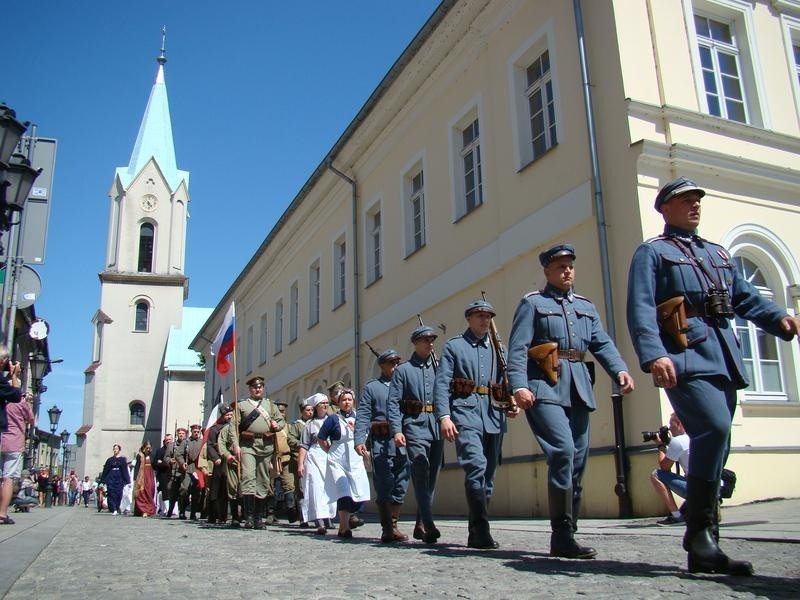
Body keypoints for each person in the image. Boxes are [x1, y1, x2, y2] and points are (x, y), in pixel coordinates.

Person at [626, 177, 800, 576]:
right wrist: (654, 355)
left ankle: (705, 543)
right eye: (685, 200)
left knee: (719, 443)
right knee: (715, 428)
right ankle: (698, 535)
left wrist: (780, 318)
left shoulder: (717, 254)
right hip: (685, 357)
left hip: (723, 356)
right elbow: (639, 308)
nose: (694, 205)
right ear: (664, 209)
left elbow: (746, 298)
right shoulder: (653, 253)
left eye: (697, 200)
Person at [508, 243, 634, 559]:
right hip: (543, 388)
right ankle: (562, 532)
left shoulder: (586, 307)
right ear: (547, 271)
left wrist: (619, 369)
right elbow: (518, 349)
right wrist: (519, 386)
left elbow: (601, 344)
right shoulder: (533, 304)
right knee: (563, 451)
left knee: (577, 460)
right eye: (560, 266)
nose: (567, 270)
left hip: (578, 387)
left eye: (570, 265)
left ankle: (567, 535)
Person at [434, 300, 511, 549]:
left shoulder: (499, 349)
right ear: (468, 318)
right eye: (479, 315)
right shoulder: (455, 346)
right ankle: (481, 529)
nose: (484, 320)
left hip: (493, 415)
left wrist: (512, 402)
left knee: (488, 476)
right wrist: (444, 416)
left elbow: (508, 378)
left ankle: (475, 531)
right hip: (465, 413)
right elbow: (442, 383)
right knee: (476, 467)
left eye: (488, 316)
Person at [388, 325, 444, 544]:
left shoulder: (439, 367)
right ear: (415, 343)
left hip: (436, 426)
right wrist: (397, 430)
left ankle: (421, 523)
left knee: (432, 478)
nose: (430, 344)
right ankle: (429, 524)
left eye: (432, 340)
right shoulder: (403, 370)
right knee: (421, 471)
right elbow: (393, 402)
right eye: (425, 340)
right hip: (414, 425)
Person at [355, 348, 410, 543]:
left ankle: (394, 524)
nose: (395, 366)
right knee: (384, 483)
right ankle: (387, 527)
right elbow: (362, 415)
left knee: (401, 484)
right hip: (381, 443)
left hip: (402, 442)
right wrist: (359, 440)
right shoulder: (373, 388)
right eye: (391, 363)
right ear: (382, 366)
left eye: (397, 362)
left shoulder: (405, 386)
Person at [318, 388, 370, 539]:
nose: (347, 402)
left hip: (355, 460)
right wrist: (329, 451)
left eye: (349, 399)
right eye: (343, 400)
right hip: (337, 460)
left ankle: (345, 524)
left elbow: (367, 435)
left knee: (358, 493)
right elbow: (321, 438)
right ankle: (344, 526)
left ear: (353, 401)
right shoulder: (333, 419)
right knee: (343, 492)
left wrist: (357, 432)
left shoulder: (360, 418)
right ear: (339, 403)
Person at [236, 375, 285, 529]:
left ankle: (258, 518)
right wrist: (236, 445)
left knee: (263, 480)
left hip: (265, 445)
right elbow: (234, 426)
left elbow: (281, 420)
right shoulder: (242, 405)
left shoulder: (270, 405)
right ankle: (249, 517)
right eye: (254, 387)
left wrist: (277, 425)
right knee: (248, 477)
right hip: (248, 445)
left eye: (260, 387)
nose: (258, 389)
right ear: (250, 389)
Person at [297, 393, 336, 535]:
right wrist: (300, 463)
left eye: (326, 403)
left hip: (329, 455)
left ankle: (329, 518)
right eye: (322, 403)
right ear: (316, 407)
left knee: (328, 488)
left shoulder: (334, 420)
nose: (325, 405)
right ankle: (319, 520)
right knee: (317, 488)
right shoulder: (310, 425)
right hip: (314, 457)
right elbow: (304, 445)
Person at [650, 413, 689, 526]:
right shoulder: (697, 436)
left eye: (671, 425)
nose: (670, 429)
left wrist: (661, 447)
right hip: (715, 487)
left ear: (679, 424)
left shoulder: (678, 441)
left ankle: (677, 517)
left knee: (656, 474)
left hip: (695, 489)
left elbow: (664, 467)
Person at [0, 387, 32, 525]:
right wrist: (27, 401)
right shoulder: (20, 403)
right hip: (14, 443)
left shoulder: (3, 402)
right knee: (8, 478)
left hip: (1, 439)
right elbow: (31, 419)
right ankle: (2, 514)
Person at [286, 397, 313, 524]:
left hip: (314, 459)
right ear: (302, 412)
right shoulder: (297, 425)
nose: (310, 412)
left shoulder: (315, 423)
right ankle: (303, 518)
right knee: (301, 489)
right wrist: (303, 444)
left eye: (312, 410)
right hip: (300, 458)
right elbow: (290, 439)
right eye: (307, 410)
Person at [206, 403, 234, 524]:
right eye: (227, 414)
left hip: (231, 460)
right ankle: (212, 515)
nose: (229, 416)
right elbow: (210, 445)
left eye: (231, 414)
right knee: (216, 490)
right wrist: (215, 458)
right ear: (222, 415)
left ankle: (224, 516)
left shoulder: (233, 428)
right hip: (220, 461)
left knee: (228, 488)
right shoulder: (215, 429)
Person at [271, 399, 294, 525]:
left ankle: (291, 511)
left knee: (289, 486)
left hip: (286, 459)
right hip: (272, 460)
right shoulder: (269, 427)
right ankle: (271, 513)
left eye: (283, 412)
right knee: (270, 487)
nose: (281, 414)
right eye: (279, 411)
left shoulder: (289, 427)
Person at [100, 444, 131, 515]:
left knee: (119, 494)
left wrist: (127, 480)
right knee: (111, 493)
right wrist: (102, 481)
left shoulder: (122, 460)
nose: (115, 450)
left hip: (119, 478)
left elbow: (125, 470)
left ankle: (117, 507)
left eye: (116, 449)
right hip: (111, 477)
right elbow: (105, 471)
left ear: (119, 450)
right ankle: (113, 508)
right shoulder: (109, 460)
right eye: (114, 449)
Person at [166, 428, 189, 519]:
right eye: (179, 433)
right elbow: (166, 457)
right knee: (172, 492)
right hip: (174, 472)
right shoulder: (172, 445)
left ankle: (182, 511)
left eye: (183, 433)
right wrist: (169, 461)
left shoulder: (188, 445)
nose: (181, 435)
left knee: (183, 491)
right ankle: (170, 510)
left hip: (184, 472)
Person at [186, 424, 205, 520]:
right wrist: (182, 462)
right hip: (188, 469)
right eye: (195, 432)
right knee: (184, 489)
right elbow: (179, 454)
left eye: (198, 432)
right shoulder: (186, 442)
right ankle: (182, 510)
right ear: (191, 432)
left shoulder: (202, 442)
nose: (196, 433)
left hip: (198, 469)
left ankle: (193, 513)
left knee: (196, 493)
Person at [133, 441, 157, 517]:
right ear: (143, 448)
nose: (148, 450)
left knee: (150, 492)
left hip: (150, 476)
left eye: (150, 448)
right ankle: (143, 510)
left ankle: (149, 510)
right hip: (142, 476)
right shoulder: (140, 456)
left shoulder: (152, 455)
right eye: (147, 448)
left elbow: (155, 465)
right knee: (141, 493)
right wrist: (135, 478)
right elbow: (137, 467)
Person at [152, 433, 173, 515]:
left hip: (172, 473)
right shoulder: (160, 451)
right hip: (163, 474)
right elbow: (155, 463)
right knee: (165, 491)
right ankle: (167, 509)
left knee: (173, 491)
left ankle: (173, 509)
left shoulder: (175, 449)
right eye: (167, 440)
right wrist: (164, 463)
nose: (168, 441)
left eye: (169, 439)